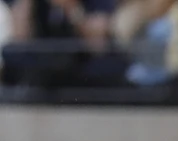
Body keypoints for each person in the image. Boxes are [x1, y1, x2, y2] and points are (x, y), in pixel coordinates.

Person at [1, 0, 129, 91]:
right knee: (12, 54)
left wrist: (72, 9)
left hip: (79, 59)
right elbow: (20, 36)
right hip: (42, 62)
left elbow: (97, 43)